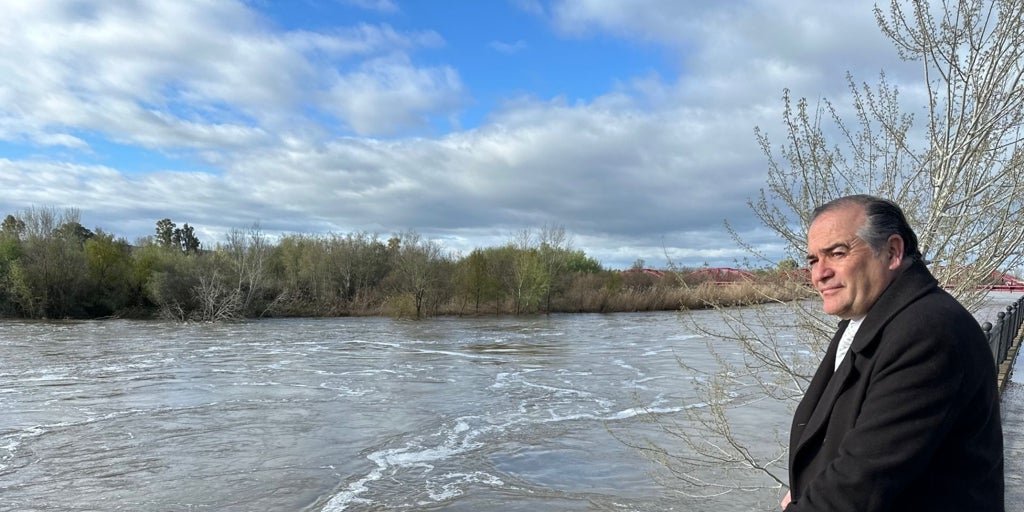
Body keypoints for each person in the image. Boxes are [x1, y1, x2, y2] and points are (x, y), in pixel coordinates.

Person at [781, 195, 1004, 511]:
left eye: (837, 253)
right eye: (814, 260)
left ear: (892, 252)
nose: (820, 274)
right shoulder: (872, 318)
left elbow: (861, 482)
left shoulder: (928, 331)